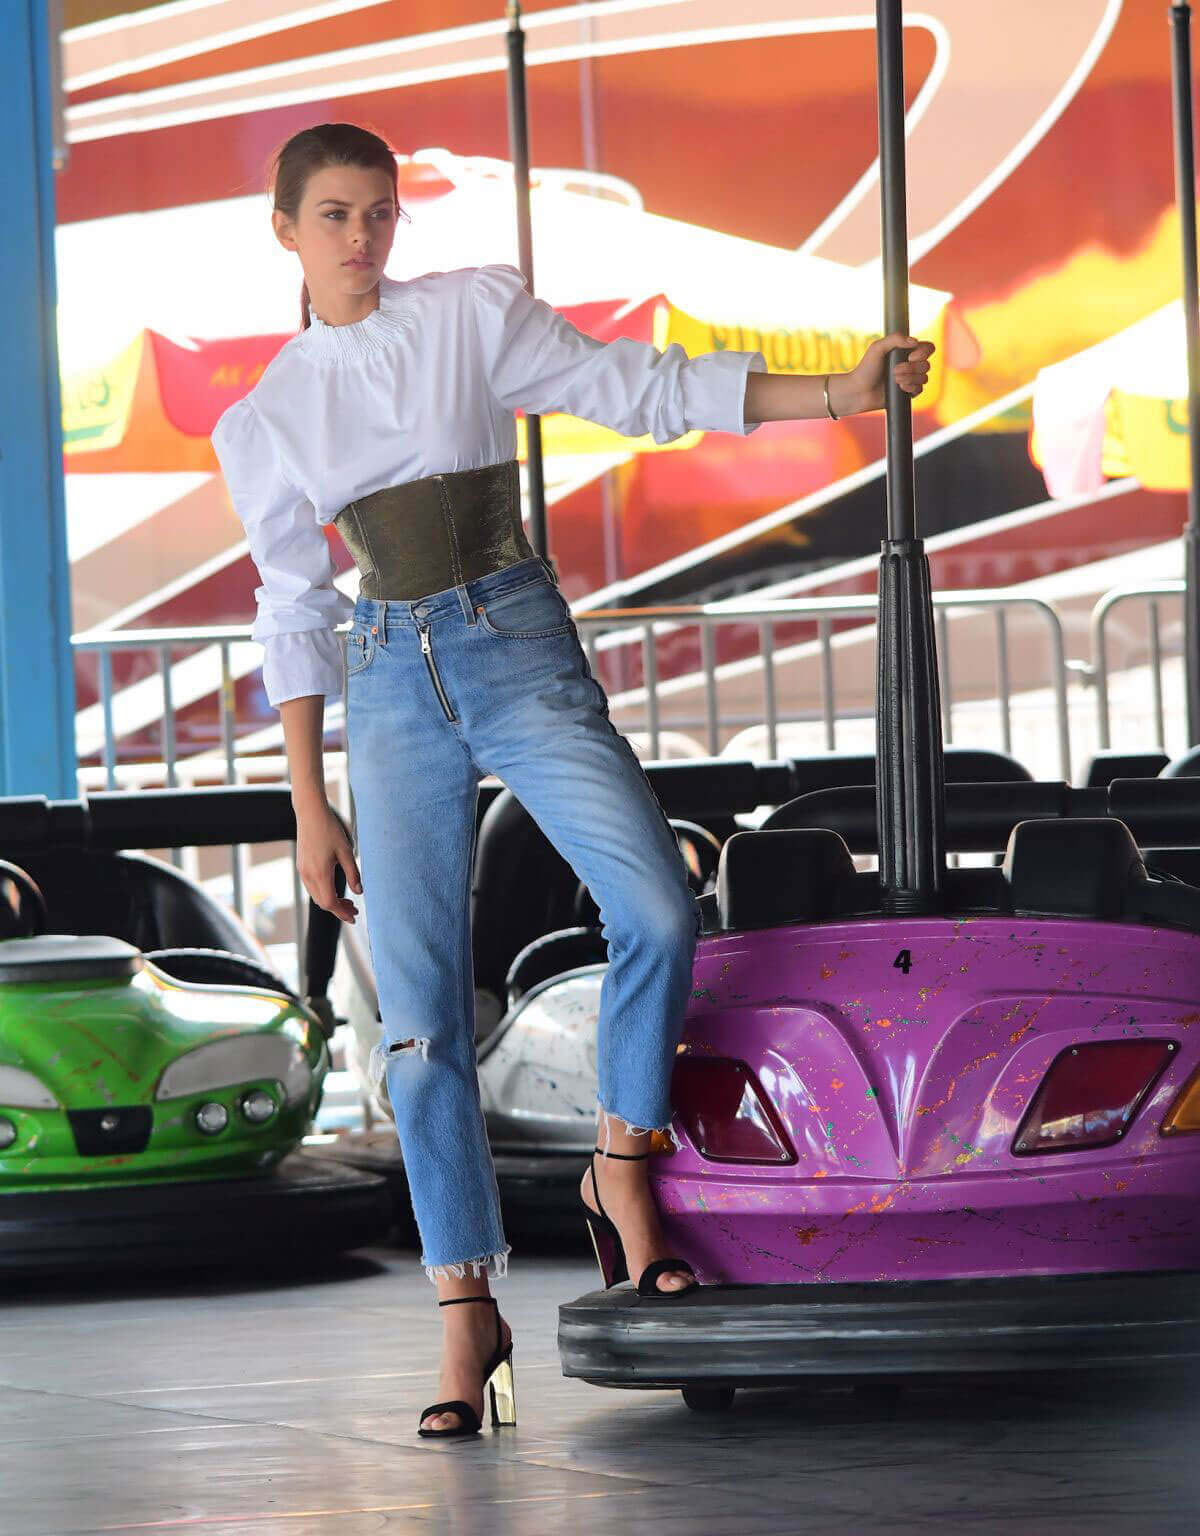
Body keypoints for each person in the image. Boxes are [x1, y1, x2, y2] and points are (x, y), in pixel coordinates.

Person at [211, 121, 934, 1440]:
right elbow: (292, 609)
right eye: (333, 216)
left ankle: (622, 1168)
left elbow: (631, 385)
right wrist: (309, 805)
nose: (362, 238)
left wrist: (838, 393)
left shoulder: (471, 314)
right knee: (420, 1019)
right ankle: (463, 1314)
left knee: (655, 909)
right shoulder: (265, 418)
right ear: (284, 231)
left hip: (517, 641)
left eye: (377, 212)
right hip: (384, 684)